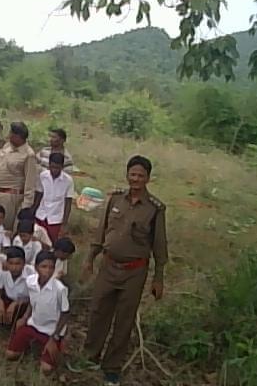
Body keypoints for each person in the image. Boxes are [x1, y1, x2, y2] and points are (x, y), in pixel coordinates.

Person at [73, 156, 168, 386]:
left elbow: (159, 246)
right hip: (108, 266)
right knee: (98, 311)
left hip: (134, 272)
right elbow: (101, 232)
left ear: (148, 178)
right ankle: (90, 356)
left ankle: (112, 367)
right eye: (132, 174)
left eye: (140, 175)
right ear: (127, 175)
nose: (136, 179)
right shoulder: (115, 199)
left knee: (124, 320)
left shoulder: (155, 209)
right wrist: (89, 260)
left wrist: (158, 278)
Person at [7, 250, 70, 375]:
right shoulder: (30, 281)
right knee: (10, 355)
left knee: (46, 369)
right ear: (36, 267)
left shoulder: (60, 289)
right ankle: (31, 345)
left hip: (51, 331)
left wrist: (54, 338)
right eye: (43, 266)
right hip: (33, 325)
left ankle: (51, 347)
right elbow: (33, 300)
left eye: (51, 267)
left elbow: (65, 313)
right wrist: (25, 317)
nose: (47, 271)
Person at [33, 152, 75, 244]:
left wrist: (64, 223)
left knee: (52, 243)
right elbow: (39, 195)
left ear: (62, 167)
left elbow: (68, 202)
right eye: (52, 167)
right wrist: (33, 211)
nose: (54, 170)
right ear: (49, 165)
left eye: (57, 168)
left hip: (56, 219)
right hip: (41, 215)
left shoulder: (68, 181)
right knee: (37, 241)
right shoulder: (43, 176)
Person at [0, 246, 34, 325]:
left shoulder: (31, 273)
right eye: (11, 263)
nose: (14, 267)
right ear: (7, 263)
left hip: (25, 305)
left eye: (17, 264)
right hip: (8, 300)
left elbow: (33, 298)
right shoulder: (4, 270)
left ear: (24, 263)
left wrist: (16, 303)